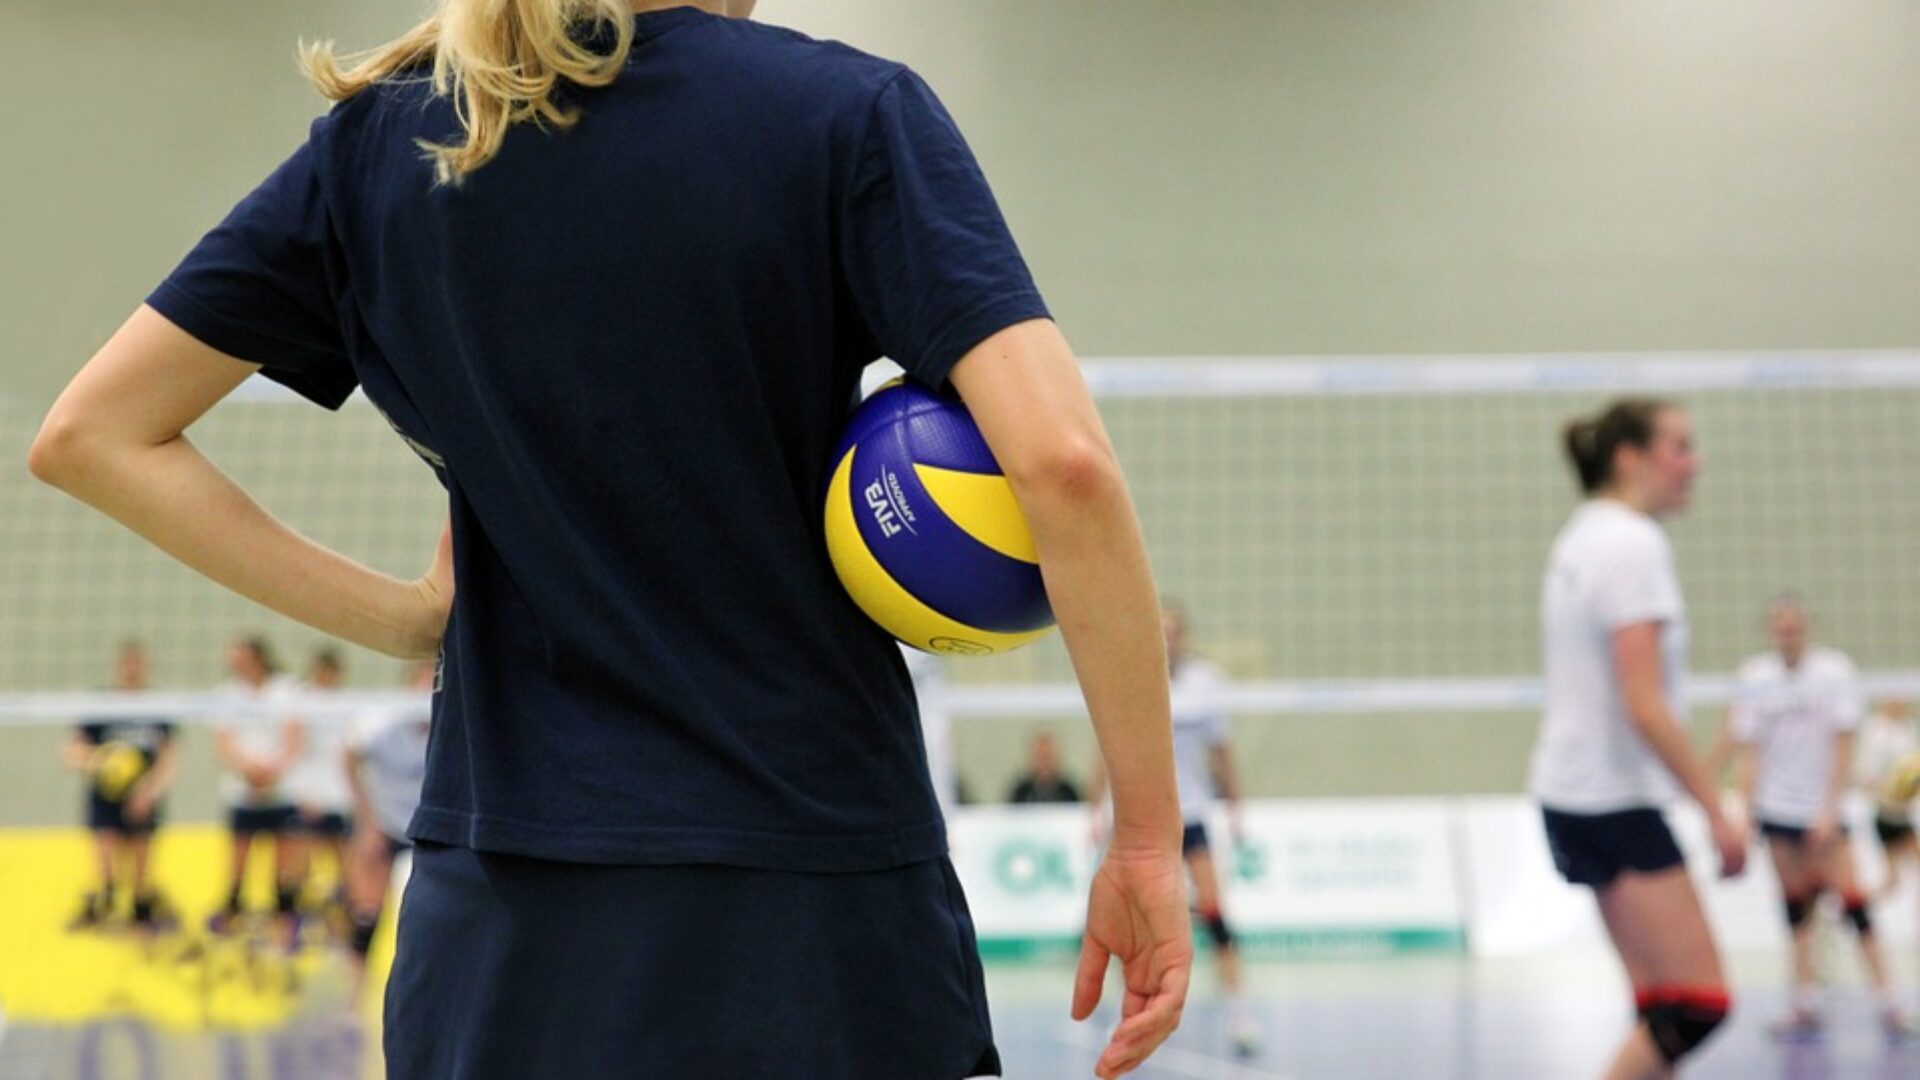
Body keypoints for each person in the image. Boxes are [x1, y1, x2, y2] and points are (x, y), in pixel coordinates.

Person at [27, 3, 1190, 1077]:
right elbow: (1064, 469)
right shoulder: (846, 114)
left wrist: (400, 616)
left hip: (497, 927)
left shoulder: (387, 137)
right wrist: (1144, 837)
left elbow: (93, 435)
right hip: (809, 902)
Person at [1529, 399, 1744, 1079]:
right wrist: (1717, 810)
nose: (1694, 463)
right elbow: (1644, 705)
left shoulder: (1583, 534)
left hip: (1571, 793)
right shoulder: (1632, 543)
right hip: (1612, 800)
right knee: (1696, 1007)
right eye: (1679, 447)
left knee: (1659, 1005)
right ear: (1630, 457)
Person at [1729, 597, 1911, 1039]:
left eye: (1794, 625)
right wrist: (1746, 812)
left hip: (1822, 812)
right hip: (1777, 811)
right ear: (1772, 630)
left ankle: (1890, 1003)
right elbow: (1751, 751)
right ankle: (1804, 1003)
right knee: (1796, 911)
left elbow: (1843, 743)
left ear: (1805, 627)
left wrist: (1830, 810)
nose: (1787, 632)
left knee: (1855, 906)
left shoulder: (1833, 672)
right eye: (1780, 626)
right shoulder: (1756, 677)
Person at [1086, 601, 1256, 1056]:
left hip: (1194, 813)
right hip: (1142, 818)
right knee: (1134, 919)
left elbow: (1221, 751)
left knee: (1216, 913)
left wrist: (1236, 804)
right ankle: (1129, 1017)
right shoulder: (1131, 677)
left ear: (1184, 636)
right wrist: (1094, 810)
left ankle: (1239, 1014)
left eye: (1174, 630)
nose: (1167, 638)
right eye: (1159, 630)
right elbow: (1106, 749)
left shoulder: (1206, 684)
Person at [63, 639, 180, 931]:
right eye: (127, 663)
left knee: (141, 858)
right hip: (105, 794)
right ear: (118, 667)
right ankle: (104, 902)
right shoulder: (102, 703)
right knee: (104, 853)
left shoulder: (156, 705)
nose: (132, 669)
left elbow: (169, 757)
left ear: (146, 667)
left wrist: (149, 791)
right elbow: (72, 751)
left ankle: (142, 909)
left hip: (143, 794)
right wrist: (102, 762)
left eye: (137, 663)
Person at [343, 659, 436, 1000]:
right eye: (420, 685)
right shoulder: (379, 723)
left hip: (430, 829)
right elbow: (349, 758)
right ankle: (352, 1000)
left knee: (435, 918)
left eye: (432, 685)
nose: (425, 694)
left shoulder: (452, 722)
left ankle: (431, 999)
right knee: (366, 913)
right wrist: (367, 822)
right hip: (385, 825)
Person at [209, 636, 306, 941]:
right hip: (243, 792)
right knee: (238, 860)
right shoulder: (226, 694)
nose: (234, 663)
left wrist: (274, 769)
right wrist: (249, 769)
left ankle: (285, 920)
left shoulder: (287, 689)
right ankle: (233, 914)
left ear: (257, 657)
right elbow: (223, 744)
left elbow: (296, 736)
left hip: (282, 790)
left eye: (239, 657)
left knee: (284, 862)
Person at [285, 646, 357, 937]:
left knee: (346, 868)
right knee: (297, 864)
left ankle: (344, 929)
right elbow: (295, 749)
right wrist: (302, 792)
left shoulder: (347, 705)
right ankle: (295, 928)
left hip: (339, 799)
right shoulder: (301, 702)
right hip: (308, 796)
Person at [1854, 699, 1919, 899]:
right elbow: (1864, 775)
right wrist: (1887, 789)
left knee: (1892, 881)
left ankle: (1853, 905)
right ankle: (1852, 905)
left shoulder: (1908, 728)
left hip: (1902, 813)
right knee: (1893, 879)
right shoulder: (1875, 731)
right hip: (1887, 813)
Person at [1008, 732, 1082, 804]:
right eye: (1040, 757)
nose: (1044, 763)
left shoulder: (1068, 793)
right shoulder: (1021, 793)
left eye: (1047, 757)